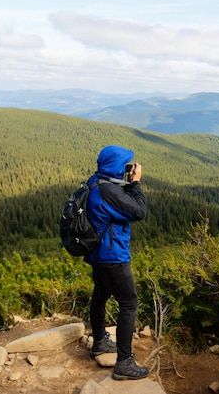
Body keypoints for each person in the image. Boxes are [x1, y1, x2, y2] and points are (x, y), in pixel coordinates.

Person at [85, 144, 149, 380]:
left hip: (98, 255)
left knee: (100, 297)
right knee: (129, 303)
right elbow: (140, 211)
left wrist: (127, 184)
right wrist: (135, 183)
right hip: (113, 256)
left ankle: (100, 341)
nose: (127, 169)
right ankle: (124, 362)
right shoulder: (110, 192)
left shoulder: (96, 182)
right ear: (115, 167)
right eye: (124, 166)